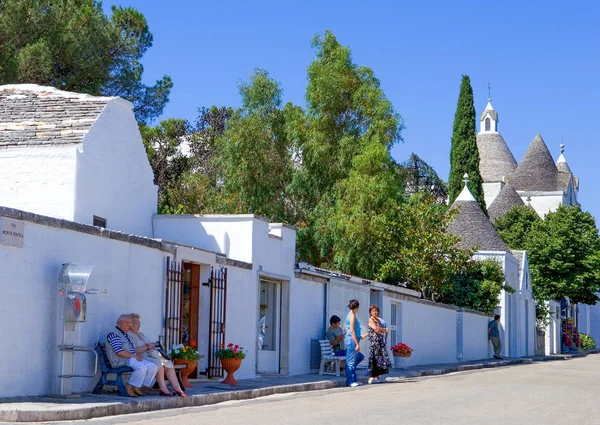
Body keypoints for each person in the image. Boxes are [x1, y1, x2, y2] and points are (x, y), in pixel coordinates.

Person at [128, 313, 187, 397]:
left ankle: (177, 388)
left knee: (168, 363)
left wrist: (150, 346)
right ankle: (163, 388)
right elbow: (135, 351)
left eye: (140, 324)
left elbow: (148, 344)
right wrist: (147, 347)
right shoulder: (129, 335)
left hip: (151, 355)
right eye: (137, 324)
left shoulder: (141, 335)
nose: (139, 326)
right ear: (130, 325)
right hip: (142, 356)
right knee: (159, 363)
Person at [105, 314, 158, 397]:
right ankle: (129, 386)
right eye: (129, 323)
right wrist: (135, 356)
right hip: (120, 360)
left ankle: (136, 386)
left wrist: (136, 356)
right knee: (142, 367)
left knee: (153, 366)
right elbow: (119, 352)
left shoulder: (125, 334)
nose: (130, 326)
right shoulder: (114, 334)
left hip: (130, 359)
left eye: (131, 323)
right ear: (121, 322)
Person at [345, 300, 369, 387]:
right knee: (351, 361)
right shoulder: (352, 316)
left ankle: (354, 379)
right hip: (351, 340)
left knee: (358, 358)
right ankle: (350, 381)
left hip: (354, 339)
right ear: (357, 307)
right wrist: (357, 344)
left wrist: (366, 334)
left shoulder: (352, 315)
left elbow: (356, 332)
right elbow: (352, 330)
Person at [367, 305, 392, 384]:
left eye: (376, 311)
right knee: (373, 358)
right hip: (374, 342)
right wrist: (383, 330)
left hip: (380, 342)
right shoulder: (371, 320)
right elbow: (377, 330)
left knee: (379, 359)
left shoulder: (379, 320)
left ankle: (377, 376)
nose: (375, 312)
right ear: (370, 312)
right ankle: (371, 377)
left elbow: (383, 330)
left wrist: (382, 330)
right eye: (373, 311)